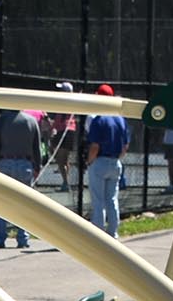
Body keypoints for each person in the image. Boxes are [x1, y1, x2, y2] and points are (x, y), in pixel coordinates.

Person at [0, 108, 42, 249]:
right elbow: (36, 146)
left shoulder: (2, 119)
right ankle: (22, 238)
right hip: (25, 163)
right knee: (24, 202)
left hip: (5, 162)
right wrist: (38, 165)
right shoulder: (31, 120)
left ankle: (0, 238)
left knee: (1, 202)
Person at [82, 84, 130, 236]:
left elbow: (95, 146)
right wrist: (117, 158)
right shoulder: (120, 120)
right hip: (115, 162)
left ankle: (98, 235)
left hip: (100, 161)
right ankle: (113, 232)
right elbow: (125, 145)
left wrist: (90, 161)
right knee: (112, 199)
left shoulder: (99, 119)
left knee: (98, 201)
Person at [47, 82, 77, 190]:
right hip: (70, 130)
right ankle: (65, 181)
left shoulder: (63, 102)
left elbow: (60, 119)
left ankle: (65, 182)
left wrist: (52, 126)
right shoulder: (72, 102)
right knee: (63, 158)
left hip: (64, 131)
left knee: (60, 158)